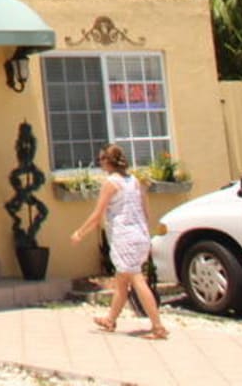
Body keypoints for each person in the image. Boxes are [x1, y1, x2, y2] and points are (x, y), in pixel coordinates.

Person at [71, 144, 167, 340]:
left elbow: (97, 214)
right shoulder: (134, 181)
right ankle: (110, 319)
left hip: (125, 237)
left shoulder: (111, 183)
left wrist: (80, 233)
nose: (99, 163)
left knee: (136, 279)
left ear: (108, 161)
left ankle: (158, 326)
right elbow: (145, 211)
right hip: (140, 234)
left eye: (101, 159)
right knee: (122, 281)